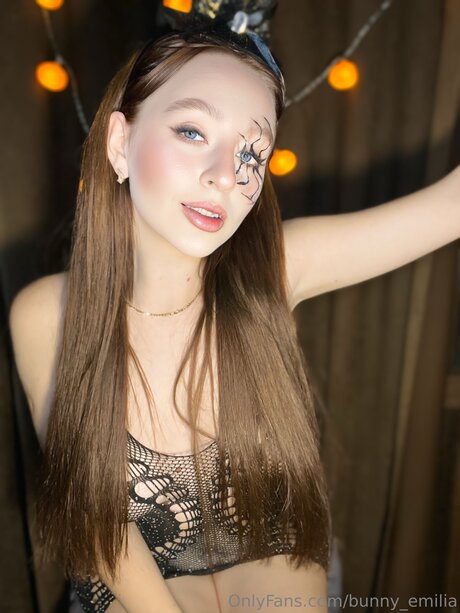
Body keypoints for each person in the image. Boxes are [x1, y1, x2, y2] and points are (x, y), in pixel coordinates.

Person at [9, 23, 460, 613]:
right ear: (120, 143)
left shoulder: (275, 270)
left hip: (268, 553)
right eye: (193, 131)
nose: (227, 174)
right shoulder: (49, 314)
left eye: (253, 151)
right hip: (127, 570)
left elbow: (448, 206)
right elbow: (100, 526)